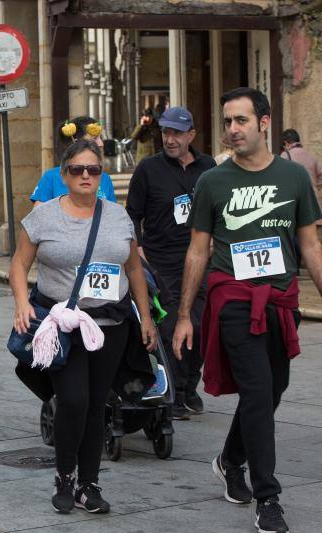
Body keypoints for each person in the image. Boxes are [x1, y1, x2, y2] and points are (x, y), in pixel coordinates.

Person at [173, 87, 322, 533]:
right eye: (227, 122)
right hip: (234, 298)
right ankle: (268, 497)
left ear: (264, 122)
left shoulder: (294, 178)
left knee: (273, 390)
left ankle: (229, 459)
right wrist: (184, 314)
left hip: (280, 301)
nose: (232, 130)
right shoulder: (212, 182)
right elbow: (198, 251)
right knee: (258, 391)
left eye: (240, 120)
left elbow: (310, 245)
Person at [9, 139, 156, 516]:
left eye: (93, 170)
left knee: (95, 404)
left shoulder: (118, 216)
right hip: (62, 324)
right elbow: (19, 265)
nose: (86, 176)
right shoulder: (44, 216)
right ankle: (64, 476)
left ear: (100, 175)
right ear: (65, 174)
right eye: (78, 170)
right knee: (73, 400)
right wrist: (22, 302)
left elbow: (134, 268)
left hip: (110, 324)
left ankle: (89, 485)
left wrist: (147, 316)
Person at [125, 106, 216, 419]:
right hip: (160, 261)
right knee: (170, 326)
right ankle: (175, 393)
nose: (170, 138)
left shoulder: (208, 167)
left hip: (201, 258)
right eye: (166, 132)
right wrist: (137, 250)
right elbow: (131, 216)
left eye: (177, 133)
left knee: (202, 325)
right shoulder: (148, 169)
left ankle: (190, 386)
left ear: (191, 134)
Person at [31, 116, 117, 205]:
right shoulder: (51, 178)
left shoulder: (105, 178)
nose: (101, 144)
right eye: (94, 139)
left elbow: (112, 215)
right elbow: (38, 215)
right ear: (76, 142)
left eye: (101, 138)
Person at [280, 128, 322, 202]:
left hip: (297, 201)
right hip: (314, 200)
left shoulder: (285, 155)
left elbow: (280, 179)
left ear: (286, 143)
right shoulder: (311, 156)